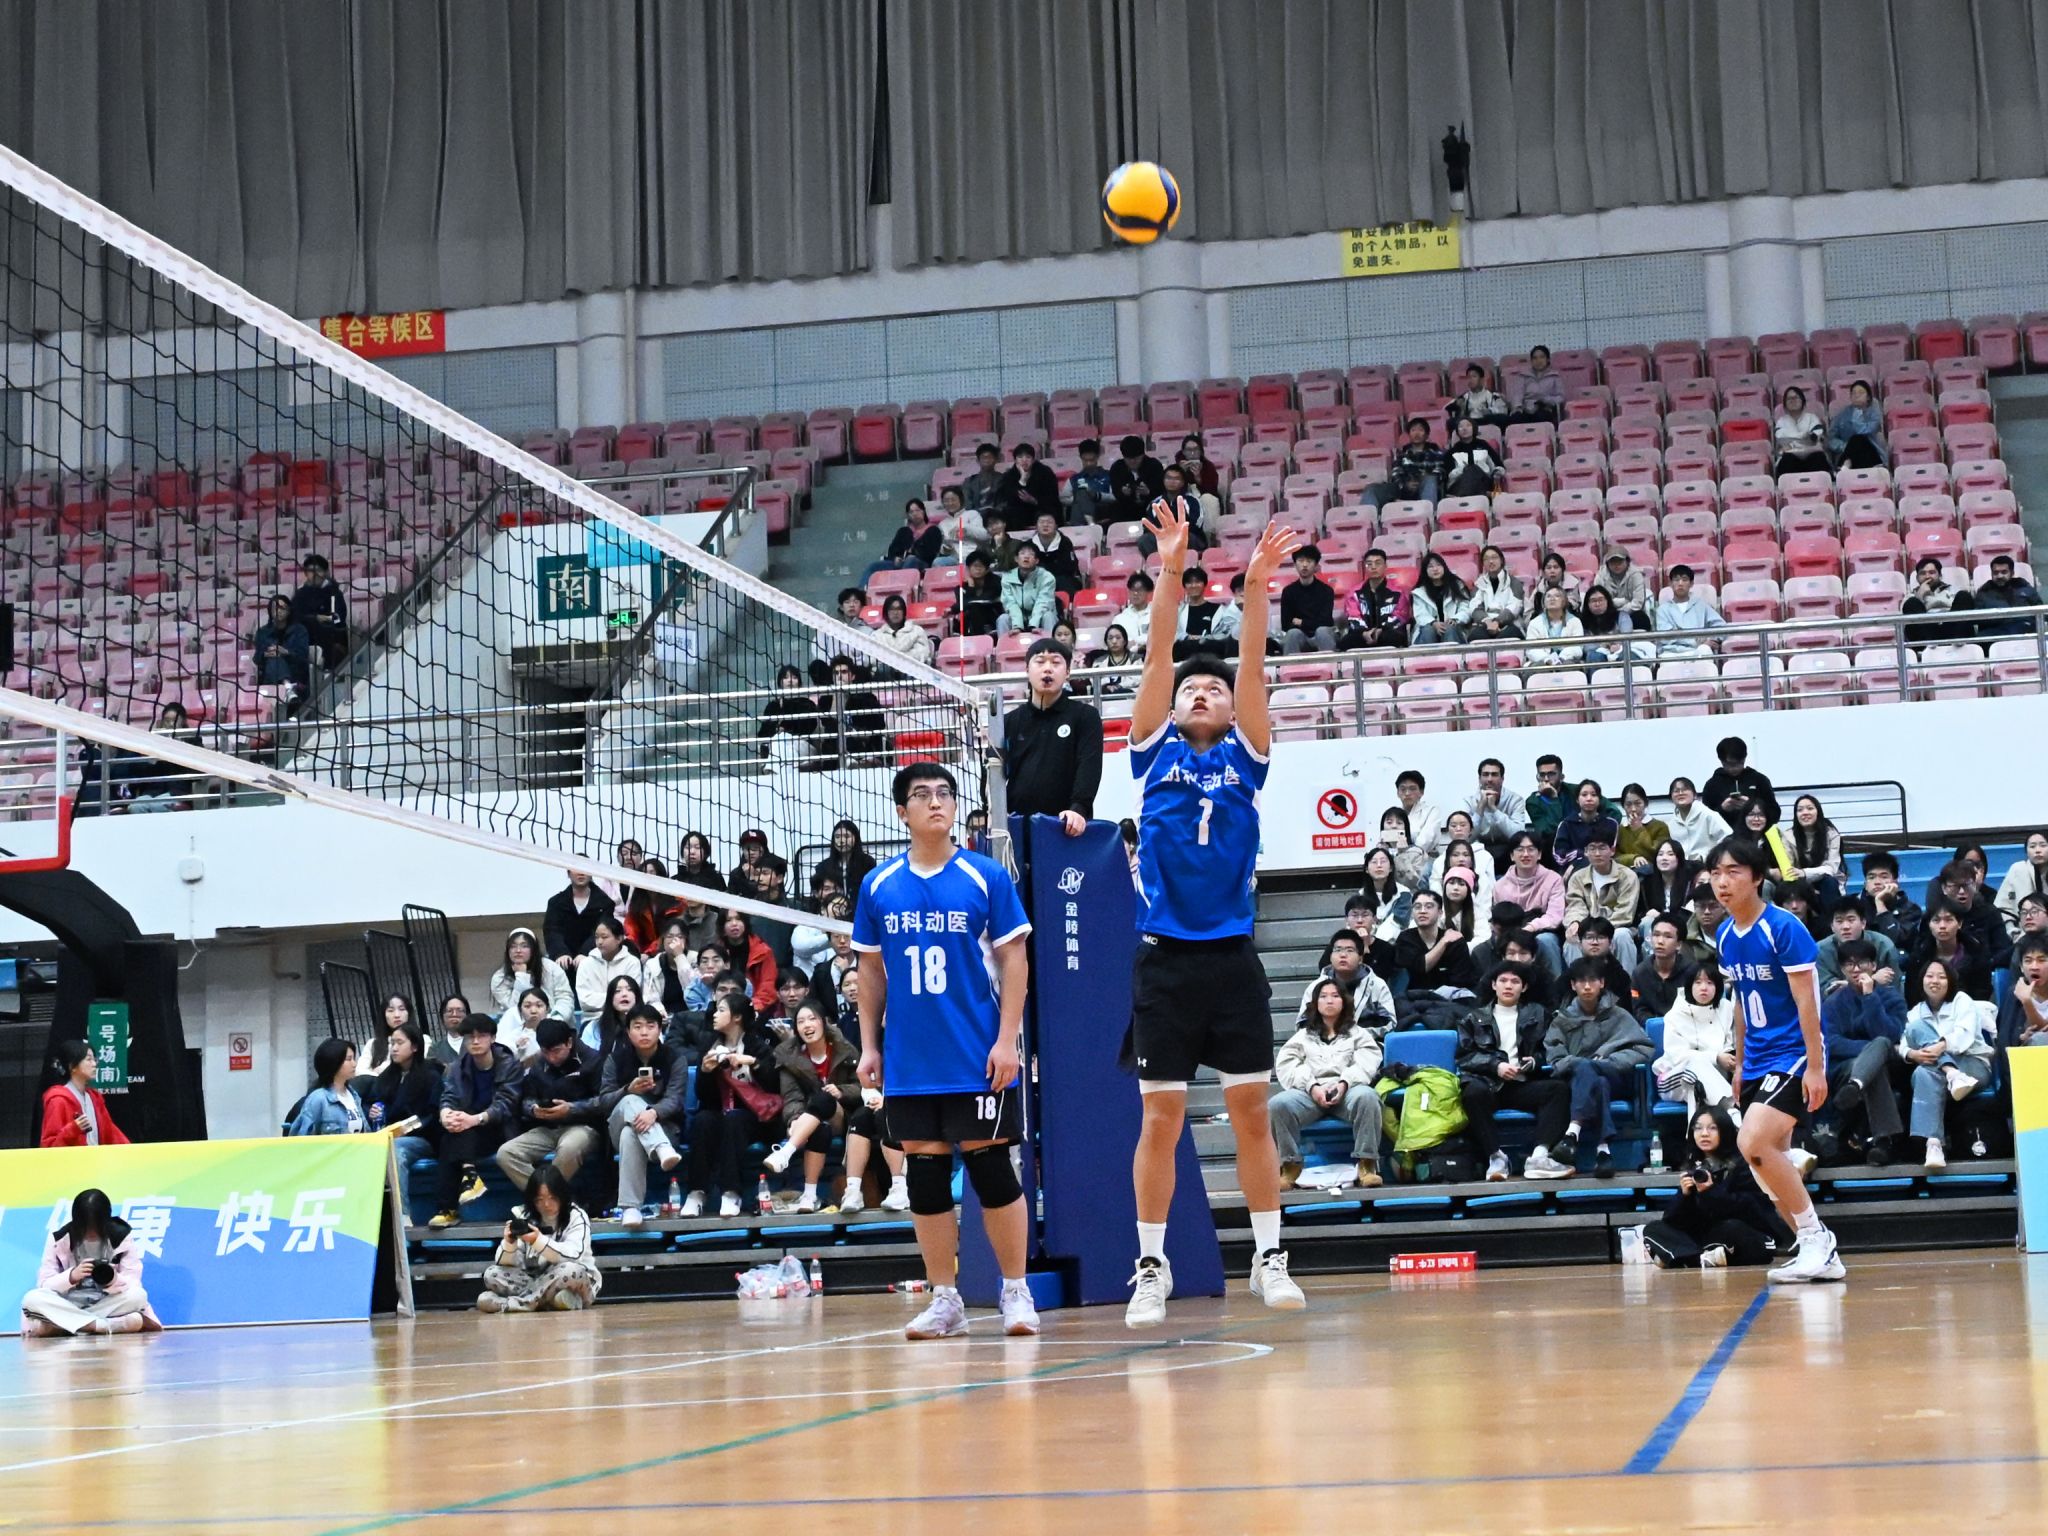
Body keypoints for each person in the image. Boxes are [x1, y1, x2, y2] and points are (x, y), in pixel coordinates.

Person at [1122, 505, 1306, 1327]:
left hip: (1231, 958)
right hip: (1164, 960)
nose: (1202, 691)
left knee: (1250, 1114)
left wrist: (1257, 586)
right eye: (1192, 689)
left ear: (1232, 710)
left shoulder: (1246, 754)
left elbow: (1254, 664)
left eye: (1214, 689)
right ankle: (1150, 1266)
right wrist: (1171, 568)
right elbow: (1160, 651)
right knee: (1161, 1119)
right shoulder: (1151, 749)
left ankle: (1269, 1257)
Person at [851, 760, 1039, 1340]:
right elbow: (870, 971)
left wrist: (1007, 1040)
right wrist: (869, 1045)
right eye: (922, 794)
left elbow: (1014, 960)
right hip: (911, 1060)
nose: (936, 801)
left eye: (944, 793)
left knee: (992, 1171)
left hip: (976, 1054)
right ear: (901, 811)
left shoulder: (985, 876)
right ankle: (945, 1299)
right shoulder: (878, 884)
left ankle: (1015, 1290)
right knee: (926, 1179)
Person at [1708, 836, 1844, 1282]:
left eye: (1733, 872)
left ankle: (1818, 1239)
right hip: (1757, 1059)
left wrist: (1815, 1066)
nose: (1722, 882)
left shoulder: (1783, 927)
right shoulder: (1725, 935)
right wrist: (1741, 1063)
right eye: (1716, 873)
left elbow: (1809, 1003)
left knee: (1752, 1143)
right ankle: (1814, 1249)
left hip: (1793, 1053)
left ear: (1756, 878)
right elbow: (1741, 1003)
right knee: (1766, 1165)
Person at [1454, 962, 1575, 1180]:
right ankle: (1496, 1157)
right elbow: (1465, 1056)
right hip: (1489, 1084)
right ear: (1494, 985)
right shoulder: (1473, 1018)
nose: (1508, 986)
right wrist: (1495, 1066)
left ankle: (1539, 1156)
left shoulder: (1539, 1014)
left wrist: (1535, 1062)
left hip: (1523, 1083)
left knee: (1558, 1089)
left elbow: (1551, 1049)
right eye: (1503, 981)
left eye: (1515, 981)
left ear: (1524, 987)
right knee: (1471, 1092)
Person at [1544, 956, 1657, 1177]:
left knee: (1600, 1076)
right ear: (1573, 985)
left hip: (1616, 1078)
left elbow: (1643, 1048)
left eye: (1592, 980)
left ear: (1602, 983)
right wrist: (1582, 1064)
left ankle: (1572, 1132)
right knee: (1598, 1082)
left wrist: (1607, 1061)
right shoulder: (1562, 1020)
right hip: (1576, 1083)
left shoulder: (1619, 1015)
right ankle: (1603, 1150)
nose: (1587, 986)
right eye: (1581, 981)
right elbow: (1555, 1059)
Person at [1270, 979, 1386, 1190]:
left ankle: (1367, 1164)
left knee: (1368, 1097)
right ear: (1315, 1003)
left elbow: (1367, 1062)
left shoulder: (1358, 1034)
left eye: (1335, 996)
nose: (1329, 1000)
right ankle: (1290, 1165)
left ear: (1344, 1001)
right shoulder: (1303, 1036)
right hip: (1310, 1094)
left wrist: (1344, 1083)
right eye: (1323, 996)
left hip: (1348, 1091)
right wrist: (1313, 1086)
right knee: (1278, 1104)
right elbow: (1288, 1064)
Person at [1643, 1107, 1794, 1268]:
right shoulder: (1695, 1166)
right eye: (1698, 1128)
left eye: (1712, 1128)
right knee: (1653, 1229)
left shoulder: (1743, 1163)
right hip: (1710, 1237)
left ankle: (1684, 1257)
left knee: (1731, 1228)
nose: (1704, 1134)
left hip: (1748, 1233)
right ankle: (1700, 1258)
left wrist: (1711, 1192)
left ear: (1725, 1131)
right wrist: (1684, 1196)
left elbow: (1751, 1209)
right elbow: (1672, 1221)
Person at [19, 1189, 161, 1336]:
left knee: (138, 1295)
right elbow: (44, 1283)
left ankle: (66, 1326)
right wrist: (71, 1277)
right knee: (32, 1299)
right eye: (86, 1226)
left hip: (107, 1303)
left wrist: (113, 1280)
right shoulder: (59, 1239)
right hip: (68, 1302)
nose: (91, 1232)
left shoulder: (121, 1237)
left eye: (96, 1226)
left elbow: (133, 1282)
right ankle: (100, 1325)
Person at [763, 999, 861, 1212]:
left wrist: (842, 1091)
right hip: (807, 1119)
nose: (807, 1025)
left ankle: (786, 1151)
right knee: (819, 1128)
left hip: (841, 1116)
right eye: (800, 1022)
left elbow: (862, 1086)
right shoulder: (788, 1055)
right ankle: (809, 1195)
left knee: (824, 1098)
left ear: (823, 1022)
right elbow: (791, 1096)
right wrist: (794, 1119)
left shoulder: (844, 1048)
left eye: (812, 1019)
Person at [593, 1003, 687, 1224]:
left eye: (650, 1026)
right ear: (628, 1032)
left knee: (630, 1134)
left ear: (660, 1029)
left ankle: (630, 1208)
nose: (644, 1032)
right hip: (618, 1125)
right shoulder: (615, 1059)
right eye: (637, 1026)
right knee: (629, 1100)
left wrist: (654, 1113)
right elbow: (604, 1101)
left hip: (665, 1127)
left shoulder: (675, 1058)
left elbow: (675, 1099)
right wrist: (628, 1090)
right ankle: (661, 1147)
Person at [426, 1011, 522, 1229]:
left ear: (493, 1038)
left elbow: (506, 1105)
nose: (475, 1041)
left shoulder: (509, 1065)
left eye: (481, 1036)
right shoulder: (458, 1067)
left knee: (458, 1134)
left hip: (501, 1129)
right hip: (470, 1129)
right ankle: (469, 1177)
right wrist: (445, 1114)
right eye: (470, 1037)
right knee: (451, 1134)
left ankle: (448, 1209)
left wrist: (475, 1119)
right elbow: (449, 1096)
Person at [1000, 638, 1104, 836]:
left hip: (1066, 827)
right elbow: (993, 773)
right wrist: (994, 812)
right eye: (1040, 662)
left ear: (1067, 672)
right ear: (1027, 670)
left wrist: (1079, 809)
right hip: (1016, 828)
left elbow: (1089, 766)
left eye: (1056, 662)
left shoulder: (1085, 716)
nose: (1047, 668)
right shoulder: (1008, 722)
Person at [1901, 957, 1995, 1171]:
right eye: (1930, 976)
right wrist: (1913, 1054)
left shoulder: (1962, 1000)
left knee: (1923, 1073)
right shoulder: (1916, 1012)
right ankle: (1934, 1144)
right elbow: (1904, 1044)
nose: (1935, 981)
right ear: (1922, 981)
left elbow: (1965, 1036)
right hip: (1939, 1070)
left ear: (1950, 981)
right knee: (1922, 1067)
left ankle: (1933, 1143)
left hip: (1972, 1064)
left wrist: (1940, 1046)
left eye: (1941, 977)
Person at [1820, 939, 1909, 1165]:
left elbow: (1891, 1035)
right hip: (1844, 1067)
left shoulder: (1891, 998)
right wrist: (1870, 1052)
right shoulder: (1832, 1003)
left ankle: (1856, 1085)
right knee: (1874, 1062)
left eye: (1862, 963)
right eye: (1849, 964)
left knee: (1881, 1043)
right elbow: (1831, 1043)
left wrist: (1870, 998)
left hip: (1889, 1064)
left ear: (1874, 966)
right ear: (1842, 969)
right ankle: (1883, 1142)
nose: (1856, 969)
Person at [495, 1018, 605, 1192]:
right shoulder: (539, 1064)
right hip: (547, 1127)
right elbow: (527, 1098)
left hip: (584, 1126)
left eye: (556, 1051)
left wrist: (572, 1109)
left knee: (569, 1148)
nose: (551, 1058)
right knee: (506, 1153)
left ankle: (546, 1200)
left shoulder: (592, 1060)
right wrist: (533, 1109)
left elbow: (604, 1101)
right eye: (546, 1052)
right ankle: (548, 1199)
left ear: (569, 1043)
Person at [477, 1165, 601, 1314]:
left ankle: (516, 1304)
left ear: (562, 1196)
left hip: (573, 1281)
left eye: (552, 1198)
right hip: (536, 1279)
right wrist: (509, 1244)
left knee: (571, 1270)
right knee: (491, 1274)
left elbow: (573, 1255)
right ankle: (551, 1301)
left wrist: (538, 1241)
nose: (546, 1205)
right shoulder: (524, 1216)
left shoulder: (576, 1216)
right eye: (540, 1200)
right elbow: (508, 1265)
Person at [368, 1020, 442, 1193]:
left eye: (399, 1043)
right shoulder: (386, 1077)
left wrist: (403, 1129)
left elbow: (431, 1115)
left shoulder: (430, 1076)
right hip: (386, 1135)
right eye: (392, 1043)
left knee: (396, 1149)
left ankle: (400, 1209)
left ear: (415, 1047)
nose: (394, 1048)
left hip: (421, 1138)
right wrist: (373, 1112)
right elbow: (373, 1101)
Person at [1654, 963, 1736, 1114]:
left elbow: (1730, 1043)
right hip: (1674, 1078)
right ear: (1689, 986)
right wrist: (1716, 1057)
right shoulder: (1675, 1015)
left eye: (1709, 983)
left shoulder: (1726, 1009)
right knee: (1697, 1066)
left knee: (1696, 1089)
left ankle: (1724, 1118)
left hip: (1712, 1078)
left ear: (1718, 987)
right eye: (1698, 982)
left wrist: (1730, 1059)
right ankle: (1731, 1108)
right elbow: (1678, 1056)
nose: (1703, 988)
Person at [1564, 832, 1641, 966]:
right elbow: (1575, 906)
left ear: (1612, 851)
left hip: (1617, 927)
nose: (1597, 853)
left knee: (1621, 936)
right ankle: (1579, 977)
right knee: (1573, 938)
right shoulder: (1577, 877)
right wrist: (1575, 922)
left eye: (1602, 848)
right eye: (1592, 848)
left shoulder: (1627, 876)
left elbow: (1624, 913)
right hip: (1587, 929)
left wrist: (1599, 933)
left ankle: (1626, 979)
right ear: (1586, 852)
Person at [1495, 832, 1567, 973]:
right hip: (1510, 932)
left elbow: (1555, 916)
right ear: (1512, 856)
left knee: (1546, 940)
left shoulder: (1553, 879)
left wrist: (1530, 928)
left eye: (1531, 849)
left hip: (1541, 930)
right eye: (1520, 850)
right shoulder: (1500, 885)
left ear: (1539, 854)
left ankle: (1555, 984)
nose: (1525, 854)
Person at [1299, 927, 1399, 1029]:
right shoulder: (1316, 987)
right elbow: (1302, 1024)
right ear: (1330, 956)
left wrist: (1354, 1034)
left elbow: (1390, 1023)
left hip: (1366, 1038)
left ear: (1360, 958)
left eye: (1350, 950)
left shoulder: (1376, 985)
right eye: (1338, 950)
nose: (1343, 955)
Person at [39, 1039, 130, 1148]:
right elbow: (49, 1147)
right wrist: (72, 1130)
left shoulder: (95, 1099)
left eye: (94, 1059)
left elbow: (111, 1133)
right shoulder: (58, 1100)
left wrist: (132, 1151)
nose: (94, 1064)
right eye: (89, 1059)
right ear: (72, 1066)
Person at [1394, 888, 1479, 996]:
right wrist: (1444, 941)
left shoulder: (1455, 942)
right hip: (1413, 999)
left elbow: (1461, 981)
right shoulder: (1405, 939)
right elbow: (1419, 967)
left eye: (1429, 906)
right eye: (1417, 907)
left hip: (1449, 999)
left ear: (1440, 912)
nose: (1422, 911)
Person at [542, 872, 616, 985]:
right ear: (568, 873)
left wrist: (586, 953)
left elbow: (602, 931)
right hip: (563, 960)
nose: (581, 873)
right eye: (575, 868)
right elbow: (552, 930)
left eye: (585, 869)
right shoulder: (556, 902)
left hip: (595, 959)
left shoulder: (605, 903)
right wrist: (560, 953)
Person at [289, 1037, 368, 1135]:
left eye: (354, 1059)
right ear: (334, 1062)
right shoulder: (318, 1098)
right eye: (348, 1059)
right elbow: (302, 1137)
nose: (354, 1064)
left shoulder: (354, 1095)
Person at [1366, 418, 1448, 508]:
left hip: (1426, 487)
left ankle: (1428, 512)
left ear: (1426, 435)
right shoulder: (1402, 454)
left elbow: (1440, 471)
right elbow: (1396, 472)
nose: (1416, 433)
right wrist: (1404, 485)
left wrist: (1421, 481)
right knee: (1372, 488)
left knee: (1430, 479)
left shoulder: (1436, 453)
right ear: (1409, 434)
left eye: (1420, 430)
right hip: (1403, 489)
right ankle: (1367, 515)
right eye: (1413, 430)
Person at [289, 552, 349, 670]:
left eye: (319, 570)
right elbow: (293, 616)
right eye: (311, 571)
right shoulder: (300, 594)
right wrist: (315, 618)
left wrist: (316, 620)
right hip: (304, 637)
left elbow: (338, 619)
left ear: (326, 572)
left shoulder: (334, 593)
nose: (315, 574)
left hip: (329, 638)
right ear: (306, 574)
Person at [1633, 913, 1699, 1020]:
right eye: (1656, 935)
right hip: (1652, 1026)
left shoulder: (1693, 971)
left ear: (1679, 944)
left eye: (1668, 936)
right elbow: (1639, 1009)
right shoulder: (1640, 973)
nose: (1660, 941)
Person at [1341, 548, 1409, 650]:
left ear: (1385, 566)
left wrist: (1381, 631)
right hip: (1362, 634)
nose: (1373, 567)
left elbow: (1400, 616)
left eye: (1378, 563)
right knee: (1346, 642)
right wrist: (1365, 633)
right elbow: (1353, 616)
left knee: (1392, 637)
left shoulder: (1398, 593)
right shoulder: (1354, 592)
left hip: (1388, 633)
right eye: (1369, 564)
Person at [575, 917, 645, 1015]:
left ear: (619, 939)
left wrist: (600, 998)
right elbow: (584, 1000)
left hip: (624, 1017)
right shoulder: (586, 964)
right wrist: (617, 999)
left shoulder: (632, 963)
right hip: (593, 1017)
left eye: (604, 937)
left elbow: (631, 998)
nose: (599, 942)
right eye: (596, 937)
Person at [1651, 565, 1726, 655]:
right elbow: (1667, 638)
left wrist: (1710, 639)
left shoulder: (1701, 605)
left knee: (1705, 649)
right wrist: (1694, 640)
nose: (1680, 583)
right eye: (1676, 580)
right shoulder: (1663, 610)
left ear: (1691, 583)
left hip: (1697, 651)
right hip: (1671, 653)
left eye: (1684, 579)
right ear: (1670, 583)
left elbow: (1721, 626)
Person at [1701, 737, 1778, 825]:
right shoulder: (1712, 785)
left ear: (1745, 758)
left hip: (1755, 832)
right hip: (1723, 833)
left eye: (1739, 763)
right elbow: (1704, 821)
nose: (1734, 768)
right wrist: (1723, 809)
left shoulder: (1760, 780)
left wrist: (1752, 807)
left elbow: (1775, 814)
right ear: (1721, 760)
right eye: (1729, 764)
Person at [1786, 795, 1844, 910]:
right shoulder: (1788, 836)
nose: (1805, 813)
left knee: (1829, 882)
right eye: (1800, 810)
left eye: (1810, 808)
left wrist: (1804, 873)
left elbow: (1831, 868)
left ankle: (1831, 919)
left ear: (1818, 812)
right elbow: (1789, 868)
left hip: (1826, 882)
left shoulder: (1831, 834)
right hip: (1799, 883)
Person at [863, 497, 943, 580]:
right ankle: (862, 588)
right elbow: (892, 550)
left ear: (923, 511)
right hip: (900, 563)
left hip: (922, 564)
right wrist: (895, 558)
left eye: (917, 510)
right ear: (908, 515)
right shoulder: (903, 531)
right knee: (873, 566)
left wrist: (914, 555)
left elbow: (932, 553)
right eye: (911, 512)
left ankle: (901, 585)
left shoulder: (933, 530)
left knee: (911, 561)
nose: (915, 514)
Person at [1135, 463, 1207, 555]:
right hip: (1162, 537)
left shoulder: (1192, 501)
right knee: (1144, 540)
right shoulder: (1155, 503)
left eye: (1176, 479)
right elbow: (1148, 525)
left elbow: (1197, 524)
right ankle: (1159, 561)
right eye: (1168, 478)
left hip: (1187, 536)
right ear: (1163, 480)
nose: (1172, 482)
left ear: (1183, 482)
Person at [1552, 779, 1621, 874]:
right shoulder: (1566, 824)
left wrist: (1580, 859)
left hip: (1603, 868)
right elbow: (1559, 856)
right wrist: (1579, 857)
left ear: (1599, 799)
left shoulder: (1610, 824)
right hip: (1572, 871)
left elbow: (1610, 852)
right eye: (1584, 795)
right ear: (1577, 799)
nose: (1589, 798)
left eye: (1593, 795)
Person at [1901, 556, 1974, 644]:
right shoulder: (1910, 596)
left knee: (1964, 596)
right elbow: (1904, 620)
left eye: (1932, 572)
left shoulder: (1953, 590)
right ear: (1917, 578)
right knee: (1911, 603)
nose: (1927, 576)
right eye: (1922, 573)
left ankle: (1957, 643)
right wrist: (1920, 595)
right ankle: (1929, 647)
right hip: (1927, 632)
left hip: (1952, 628)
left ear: (1940, 576)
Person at [1279, 544, 1338, 653]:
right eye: (1301, 561)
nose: (1305, 565)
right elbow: (1286, 624)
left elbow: (1326, 621)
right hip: (1300, 637)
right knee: (1292, 634)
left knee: (1322, 631)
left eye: (1309, 561)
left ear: (1316, 566)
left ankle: (1330, 663)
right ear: (1295, 565)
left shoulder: (1326, 591)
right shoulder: (1288, 591)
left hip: (1321, 635)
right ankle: (1291, 664)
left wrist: (1301, 622)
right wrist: (1312, 623)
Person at [252, 593, 311, 701]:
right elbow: (257, 658)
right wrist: (266, 654)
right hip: (269, 676)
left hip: (294, 673)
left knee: (276, 657)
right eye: (275, 608)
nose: (278, 611)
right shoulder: (262, 632)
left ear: (289, 611)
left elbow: (303, 657)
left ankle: (287, 687)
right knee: (273, 658)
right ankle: (287, 688)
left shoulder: (299, 631)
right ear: (270, 611)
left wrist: (286, 652)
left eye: (282, 608)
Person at [719, 908, 780, 1012]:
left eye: (738, 919)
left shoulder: (762, 951)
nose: (734, 924)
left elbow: (768, 985)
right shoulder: (716, 951)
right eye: (728, 920)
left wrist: (752, 1006)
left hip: (755, 1008)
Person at [1408, 553, 1474, 646]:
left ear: (1444, 567)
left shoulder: (1457, 587)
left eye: (1438, 565)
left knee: (1450, 628)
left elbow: (1465, 608)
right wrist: (1433, 623)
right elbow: (1420, 615)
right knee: (1429, 630)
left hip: (1454, 629)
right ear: (1425, 571)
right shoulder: (1419, 592)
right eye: (1430, 566)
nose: (1435, 569)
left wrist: (1455, 619)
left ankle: (1451, 655)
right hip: (1427, 631)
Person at [1973, 555, 2041, 639]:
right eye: (1995, 573)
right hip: (1995, 631)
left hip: (2025, 629)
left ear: (2012, 573)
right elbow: (1979, 618)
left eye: (2004, 572)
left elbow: (2041, 611)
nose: (1999, 576)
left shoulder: (2024, 588)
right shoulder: (1984, 592)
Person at [1995, 831, 2048, 938]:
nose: (2038, 850)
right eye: (2032, 846)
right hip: (2022, 935)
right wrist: (2011, 930)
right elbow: (2002, 907)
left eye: (2043, 845)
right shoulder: (2018, 869)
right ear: (2026, 851)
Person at [1666, 776, 1731, 861]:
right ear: (1671, 798)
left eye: (1685, 789)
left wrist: (1710, 857)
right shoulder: (1671, 823)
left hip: (1707, 864)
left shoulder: (1707, 814)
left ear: (1695, 795)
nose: (1680, 793)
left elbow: (1727, 837)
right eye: (1676, 791)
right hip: (1683, 865)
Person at [999, 541, 1058, 634]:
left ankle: (1051, 642)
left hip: (1039, 617)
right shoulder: (1007, 577)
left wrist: (1033, 625)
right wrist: (1017, 626)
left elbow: (1043, 603)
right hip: (1017, 619)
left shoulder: (1047, 577)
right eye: (1022, 553)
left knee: (1048, 616)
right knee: (1003, 619)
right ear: (1016, 559)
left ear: (1037, 560)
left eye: (1031, 554)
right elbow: (1010, 603)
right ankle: (1004, 643)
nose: (1026, 557)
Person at [1825, 378, 1886, 469]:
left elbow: (1863, 431)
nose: (1857, 395)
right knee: (1854, 441)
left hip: (1871, 455)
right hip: (1848, 454)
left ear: (1868, 397)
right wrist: (1845, 446)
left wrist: (1856, 415)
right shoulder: (1843, 415)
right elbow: (1831, 438)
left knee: (1858, 438)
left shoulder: (1874, 414)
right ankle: (1847, 462)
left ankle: (1846, 464)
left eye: (1861, 392)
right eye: (1853, 393)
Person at [1469, 546, 1526, 641]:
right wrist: (1487, 622)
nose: (1490, 561)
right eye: (1486, 559)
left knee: (1508, 636)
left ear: (1502, 560)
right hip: (1485, 624)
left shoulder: (1514, 582)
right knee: (1475, 636)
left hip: (1509, 623)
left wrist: (1497, 622)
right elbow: (1474, 606)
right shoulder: (1479, 584)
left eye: (1494, 557)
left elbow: (1515, 606)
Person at [1440, 415, 1505, 499]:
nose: (1464, 429)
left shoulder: (1483, 445)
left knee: (1473, 469)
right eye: (1461, 426)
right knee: (1470, 469)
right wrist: (1463, 470)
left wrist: (1497, 472)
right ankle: (1482, 495)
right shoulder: (1453, 450)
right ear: (1457, 431)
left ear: (1474, 428)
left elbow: (1498, 465)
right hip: (1459, 484)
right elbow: (1448, 474)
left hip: (1483, 481)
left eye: (1468, 425)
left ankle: (1464, 498)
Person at [1771, 385, 1829, 476]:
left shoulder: (1812, 418)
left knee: (1818, 458)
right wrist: (1804, 437)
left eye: (1796, 397)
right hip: (1790, 457)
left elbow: (1815, 438)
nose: (1793, 400)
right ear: (1785, 404)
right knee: (1787, 460)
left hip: (1811, 454)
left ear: (1803, 401)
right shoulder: (1781, 422)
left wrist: (1792, 444)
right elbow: (1782, 438)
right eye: (1789, 399)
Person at [1024, 510, 1085, 595]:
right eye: (1042, 522)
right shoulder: (1029, 544)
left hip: (1062, 579)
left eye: (1049, 522)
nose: (1045, 525)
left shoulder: (1064, 542)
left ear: (1056, 525)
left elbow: (1070, 566)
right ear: (1036, 526)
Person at [1614, 784, 1670, 874]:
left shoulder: (1660, 826)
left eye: (1638, 803)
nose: (1633, 809)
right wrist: (1633, 858)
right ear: (1623, 806)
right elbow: (1615, 857)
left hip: (1653, 873)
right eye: (1628, 805)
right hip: (1625, 872)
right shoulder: (1620, 829)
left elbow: (1657, 854)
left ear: (1646, 803)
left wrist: (1639, 830)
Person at [1174, 565, 1226, 660]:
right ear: (1184, 587)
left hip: (1211, 654)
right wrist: (1188, 637)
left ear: (1204, 584)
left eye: (1197, 582)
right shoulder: (1178, 611)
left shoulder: (1218, 609)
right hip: (1185, 655)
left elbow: (1224, 634)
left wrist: (1205, 638)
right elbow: (1174, 634)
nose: (1193, 585)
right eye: (1189, 582)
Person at [1109, 433, 1166, 517]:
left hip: (1152, 507)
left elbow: (1162, 491)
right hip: (1126, 510)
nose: (1132, 461)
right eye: (1129, 458)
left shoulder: (1154, 466)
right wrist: (1122, 492)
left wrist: (1149, 492)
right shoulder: (1117, 468)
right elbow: (1116, 491)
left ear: (1143, 455)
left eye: (1136, 458)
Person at [1523, 586, 1584, 665]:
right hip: (1542, 662)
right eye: (1548, 596)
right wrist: (1548, 659)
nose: (1552, 599)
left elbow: (1578, 647)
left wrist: (1562, 657)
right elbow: (1531, 649)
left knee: (1568, 665)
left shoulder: (1575, 621)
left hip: (1567, 660)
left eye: (1557, 596)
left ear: (1564, 601)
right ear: (1544, 602)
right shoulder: (1534, 623)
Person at [873, 593, 935, 670]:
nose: (895, 612)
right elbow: (873, 658)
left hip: (911, 671)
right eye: (892, 609)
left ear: (904, 612)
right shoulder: (877, 635)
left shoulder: (917, 631)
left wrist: (900, 660)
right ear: (886, 613)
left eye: (899, 609)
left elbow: (922, 654)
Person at [930, 484, 988, 563]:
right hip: (954, 558)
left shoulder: (972, 514)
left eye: (953, 500)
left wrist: (965, 529)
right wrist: (945, 548)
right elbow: (942, 547)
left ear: (961, 500)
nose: (950, 503)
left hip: (973, 556)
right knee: (938, 562)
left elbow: (984, 535)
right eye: (946, 501)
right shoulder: (942, 524)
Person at [1448, 362, 1510, 432]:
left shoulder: (1492, 396)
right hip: (1470, 423)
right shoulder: (1463, 397)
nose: (1470, 380)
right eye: (1468, 377)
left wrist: (1489, 411)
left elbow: (1503, 411)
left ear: (1482, 380)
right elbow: (1446, 408)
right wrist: (1461, 408)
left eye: (1474, 376)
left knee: (1502, 419)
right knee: (1451, 422)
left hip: (1486, 422)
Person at [1508, 344, 1563, 423]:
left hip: (1546, 408)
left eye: (1542, 357)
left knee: (1541, 416)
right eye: (1535, 358)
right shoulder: (1524, 376)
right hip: (1526, 408)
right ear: (1531, 361)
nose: (1538, 361)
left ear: (1548, 359)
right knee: (1516, 418)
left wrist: (1546, 400)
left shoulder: (1554, 376)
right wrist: (1518, 407)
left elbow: (1561, 397)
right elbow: (1517, 394)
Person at [956, 549, 1005, 637]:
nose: (978, 569)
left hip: (992, 615)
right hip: (971, 619)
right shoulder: (962, 587)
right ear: (968, 568)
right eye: (975, 566)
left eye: (981, 566)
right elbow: (961, 604)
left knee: (975, 607)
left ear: (987, 569)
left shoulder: (996, 581)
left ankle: (980, 636)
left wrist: (955, 608)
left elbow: (985, 600)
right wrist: (971, 586)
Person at [1593, 547, 1648, 622]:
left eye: (1620, 561)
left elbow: (1638, 602)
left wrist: (1620, 612)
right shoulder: (1601, 576)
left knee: (1640, 617)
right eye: (1612, 562)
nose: (1616, 565)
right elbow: (1599, 600)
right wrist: (1623, 601)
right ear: (1607, 564)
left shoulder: (1636, 575)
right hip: (1608, 613)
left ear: (1627, 561)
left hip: (1632, 612)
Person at [1068, 438, 1115, 525]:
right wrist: (1082, 498)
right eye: (1085, 460)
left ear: (1097, 457)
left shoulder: (1108, 476)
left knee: (1082, 494)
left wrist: (1096, 495)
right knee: (1082, 493)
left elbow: (1114, 497)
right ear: (1080, 458)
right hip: (1080, 514)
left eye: (1092, 460)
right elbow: (1063, 498)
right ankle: (1090, 523)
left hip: (1103, 511)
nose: (1088, 463)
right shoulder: (1074, 479)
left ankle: (1084, 526)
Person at [959, 443, 1004, 513]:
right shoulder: (969, 482)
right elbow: (967, 505)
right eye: (984, 458)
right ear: (978, 460)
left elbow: (1004, 503)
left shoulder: (1003, 480)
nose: (987, 460)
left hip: (997, 516)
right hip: (974, 517)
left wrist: (993, 514)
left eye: (990, 457)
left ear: (996, 460)